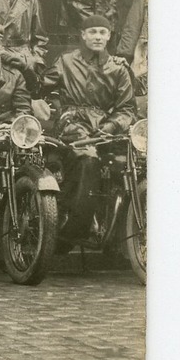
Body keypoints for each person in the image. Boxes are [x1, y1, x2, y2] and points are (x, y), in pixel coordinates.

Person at [41, 13, 138, 244]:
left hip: (107, 127)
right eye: (92, 32)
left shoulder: (118, 68)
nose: (97, 36)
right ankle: (73, 231)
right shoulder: (66, 61)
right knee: (88, 159)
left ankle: (118, 231)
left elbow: (127, 108)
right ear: (83, 35)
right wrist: (54, 106)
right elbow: (43, 87)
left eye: (102, 32)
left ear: (109, 36)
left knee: (133, 159)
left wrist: (111, 125)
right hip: (72, 123)